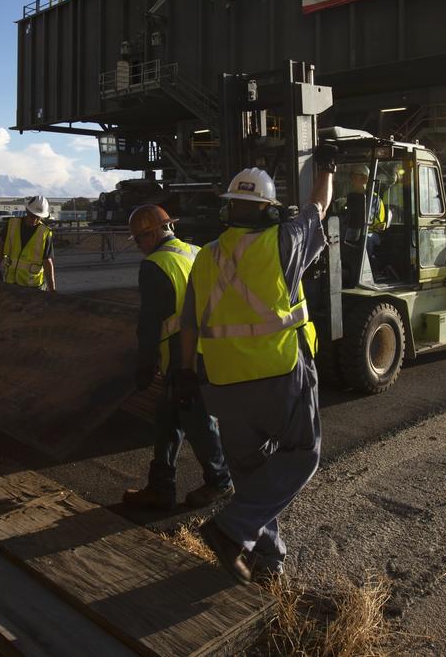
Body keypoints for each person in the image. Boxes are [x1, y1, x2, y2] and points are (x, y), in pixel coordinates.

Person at [180, 148, 336, 585]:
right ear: (270, 211)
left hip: (224, 384)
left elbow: (190, 323)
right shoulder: (284, 240)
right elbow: (319, 207)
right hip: (280, 374)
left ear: (228, 209)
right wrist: (327, 168)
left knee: (250, 472)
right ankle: (231, 530)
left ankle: (266, 560)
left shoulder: (205, 256)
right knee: (302, 454)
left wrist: (185, 373)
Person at [122, 204, 233, 511]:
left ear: (155, 232)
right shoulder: (195, 252)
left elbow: (150, 323)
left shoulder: (156, 265)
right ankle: (160, 488)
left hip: (182, 358)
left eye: (140, 239)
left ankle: (220, 481)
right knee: (168, 419)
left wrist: (145, 365)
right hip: (209, 349)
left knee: (198, 421)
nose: (140, 248)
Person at [0, 196, 56, 291]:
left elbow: (47, 262)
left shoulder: (45, 233)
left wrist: (52, 289)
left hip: (34, 287)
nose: (34, 220)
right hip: (11, 282)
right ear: (27, 211)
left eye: (38, 217)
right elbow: (1, 246)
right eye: (32, 216)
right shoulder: (12, 224)